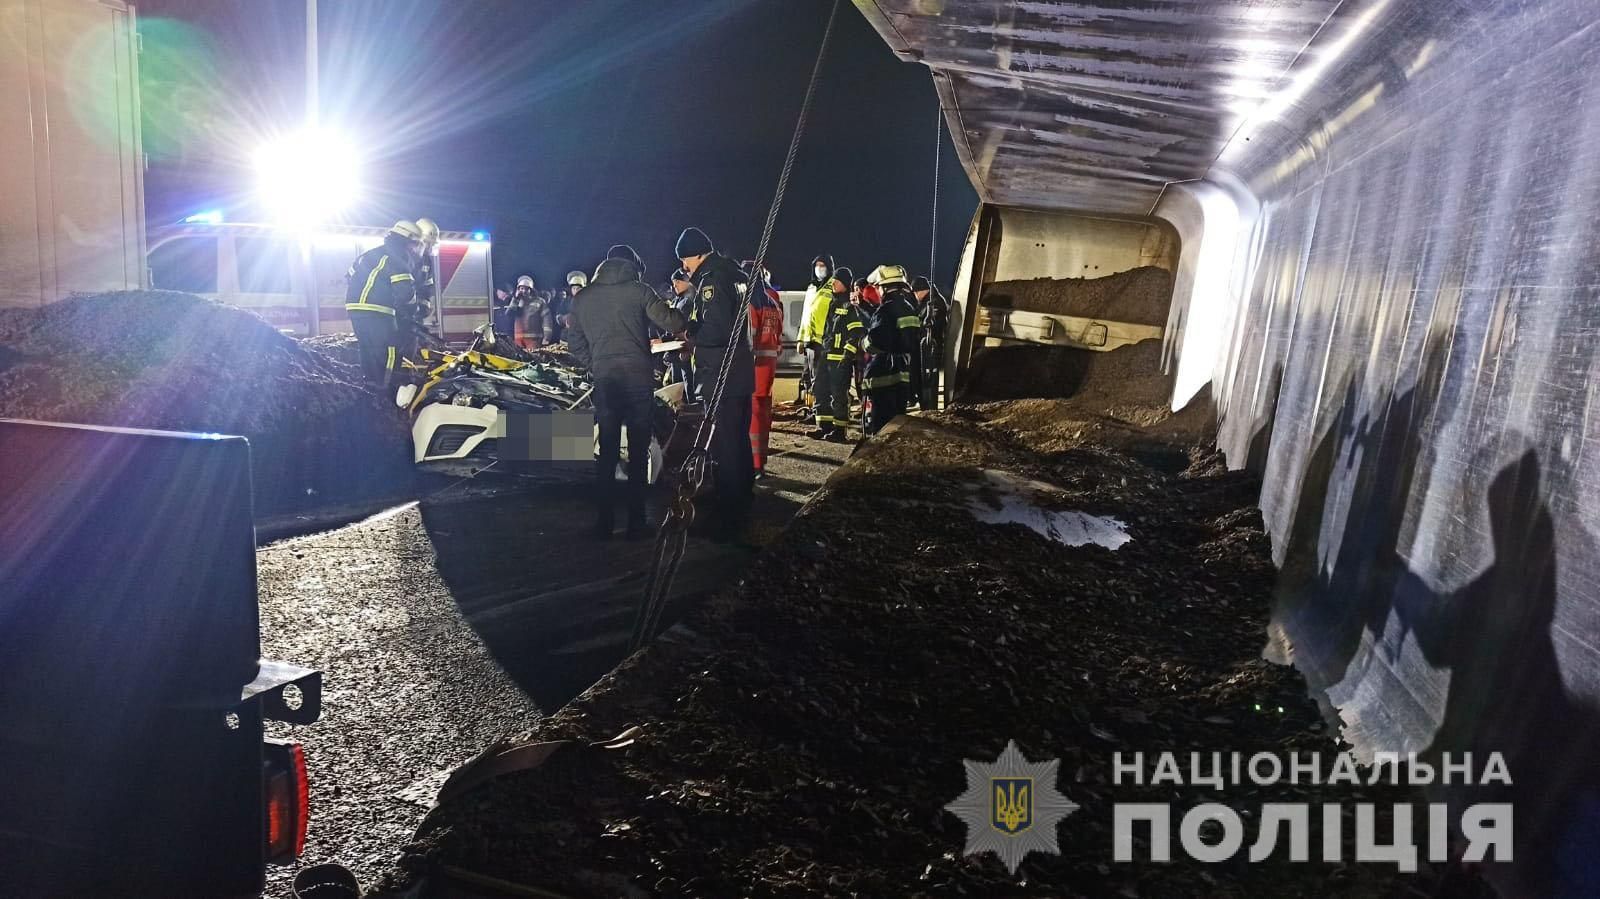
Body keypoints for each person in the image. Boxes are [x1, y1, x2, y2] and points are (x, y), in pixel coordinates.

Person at [565, 246, 688, 539]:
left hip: (606, 381)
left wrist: (597, 363)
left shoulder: (584, 297)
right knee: (637, 449)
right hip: (637, 380)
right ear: (632, 265)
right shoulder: (640, 290)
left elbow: (574, 343)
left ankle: (604, 522)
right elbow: (672, 322)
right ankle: (636, 522)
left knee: (606, 451)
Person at [676, 226, 754, 535]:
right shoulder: (732, 274)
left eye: (686, 261)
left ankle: (729, 516)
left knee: (725, 445)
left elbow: (716, 329)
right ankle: (742, 499)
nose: (685, 267)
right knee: (738, 440)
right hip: (737, 371)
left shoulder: (712, 280)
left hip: (721, 373)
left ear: (698, 254)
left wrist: (690, 333)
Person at [344, 220, 422, 387]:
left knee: (367, 349)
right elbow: (405, 293)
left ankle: (370, 385)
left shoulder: (369, 254)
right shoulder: (398, 258)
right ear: (407, 241)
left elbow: (350, 276)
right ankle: (387, 390)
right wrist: (411, 312)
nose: (414, 248)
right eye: (414, 244)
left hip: (354, 309)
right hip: (378, 310)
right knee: (390, 349)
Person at [862, 264, 919, 434]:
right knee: (896, 426)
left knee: (881, 427)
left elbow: (875, 342)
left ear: (884, 288)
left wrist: (862, 342)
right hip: (902, 376)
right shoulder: (909, 309)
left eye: (878, 288)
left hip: (883, 376)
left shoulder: (885, 310)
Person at [808, 267, 861, 441]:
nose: (833, 283)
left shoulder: (849, 307)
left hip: (839, 359)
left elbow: (856, 334)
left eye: (836, 281)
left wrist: (847, 355)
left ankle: (839, 431)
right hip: (825, 355)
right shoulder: (833, 303)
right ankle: (823, 426)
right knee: (821, 390)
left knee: (839, 395)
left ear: (844, 284)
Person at [747, 266, 784, 476]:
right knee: (764, 415)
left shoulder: (752, 305)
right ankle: (761, 460)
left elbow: (749, 338)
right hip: (769, 367)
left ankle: (753, 464)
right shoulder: (773, 304)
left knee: (752, 417)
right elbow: (778, 337)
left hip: (754, 366)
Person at [796, 254, 833, 404]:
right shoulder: (811, 288)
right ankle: (812, 408)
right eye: (817, 265)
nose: (819, 268)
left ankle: (821, 410)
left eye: (822, 265)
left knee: (820, 379)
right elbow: (806, 315)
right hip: (809, 342)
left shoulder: (832, 286)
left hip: (824, 341)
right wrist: (800, 338)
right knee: (809, 378)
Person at [913, 274, 951, 409]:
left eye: (915, 292)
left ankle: (930, 406)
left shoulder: (934, 302)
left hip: (932, 346)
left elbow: (933, 324)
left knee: (930, 377)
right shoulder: (928, 302)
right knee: (925, 377)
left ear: (922, 290)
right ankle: (926, 404)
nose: (915, 295)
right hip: (927, 346)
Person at [512, 275, 553, 349]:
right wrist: (515, 299)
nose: (524, 291)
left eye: (526, 289)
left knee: (533, 359)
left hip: (534, 340)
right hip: (518, 340)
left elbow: (547, 320)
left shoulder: (539, 301)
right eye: (521, 288)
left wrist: (547, 337)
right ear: (518, 289)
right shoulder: (516, 302)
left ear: (531, 290)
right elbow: (509, 314)